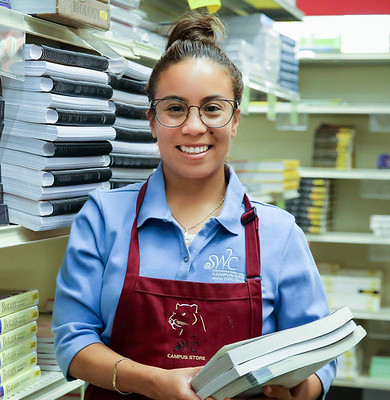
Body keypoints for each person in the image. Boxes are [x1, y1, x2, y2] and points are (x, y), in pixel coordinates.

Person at [52, 11, 336, 400]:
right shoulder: (104, 217)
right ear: (151, 120)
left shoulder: (279, 232)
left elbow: (320, 354)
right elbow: (73, 339)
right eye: (174, 108)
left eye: (213, 108)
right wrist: (152, 382)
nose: (194, 126)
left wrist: (301, 388)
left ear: (235, 119)